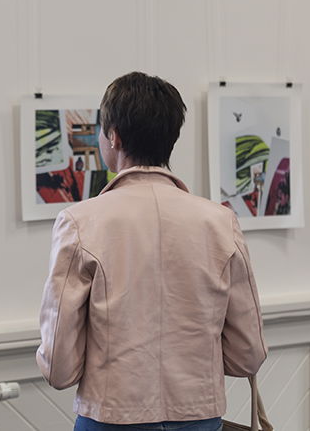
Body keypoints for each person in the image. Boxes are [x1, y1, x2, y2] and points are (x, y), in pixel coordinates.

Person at [37, 72, 267, 431]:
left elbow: (59, 367)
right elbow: (247, 355)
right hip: (198, 418)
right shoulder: (220, 222)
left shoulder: (80, 222)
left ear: (113, 136)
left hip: (111, 417)